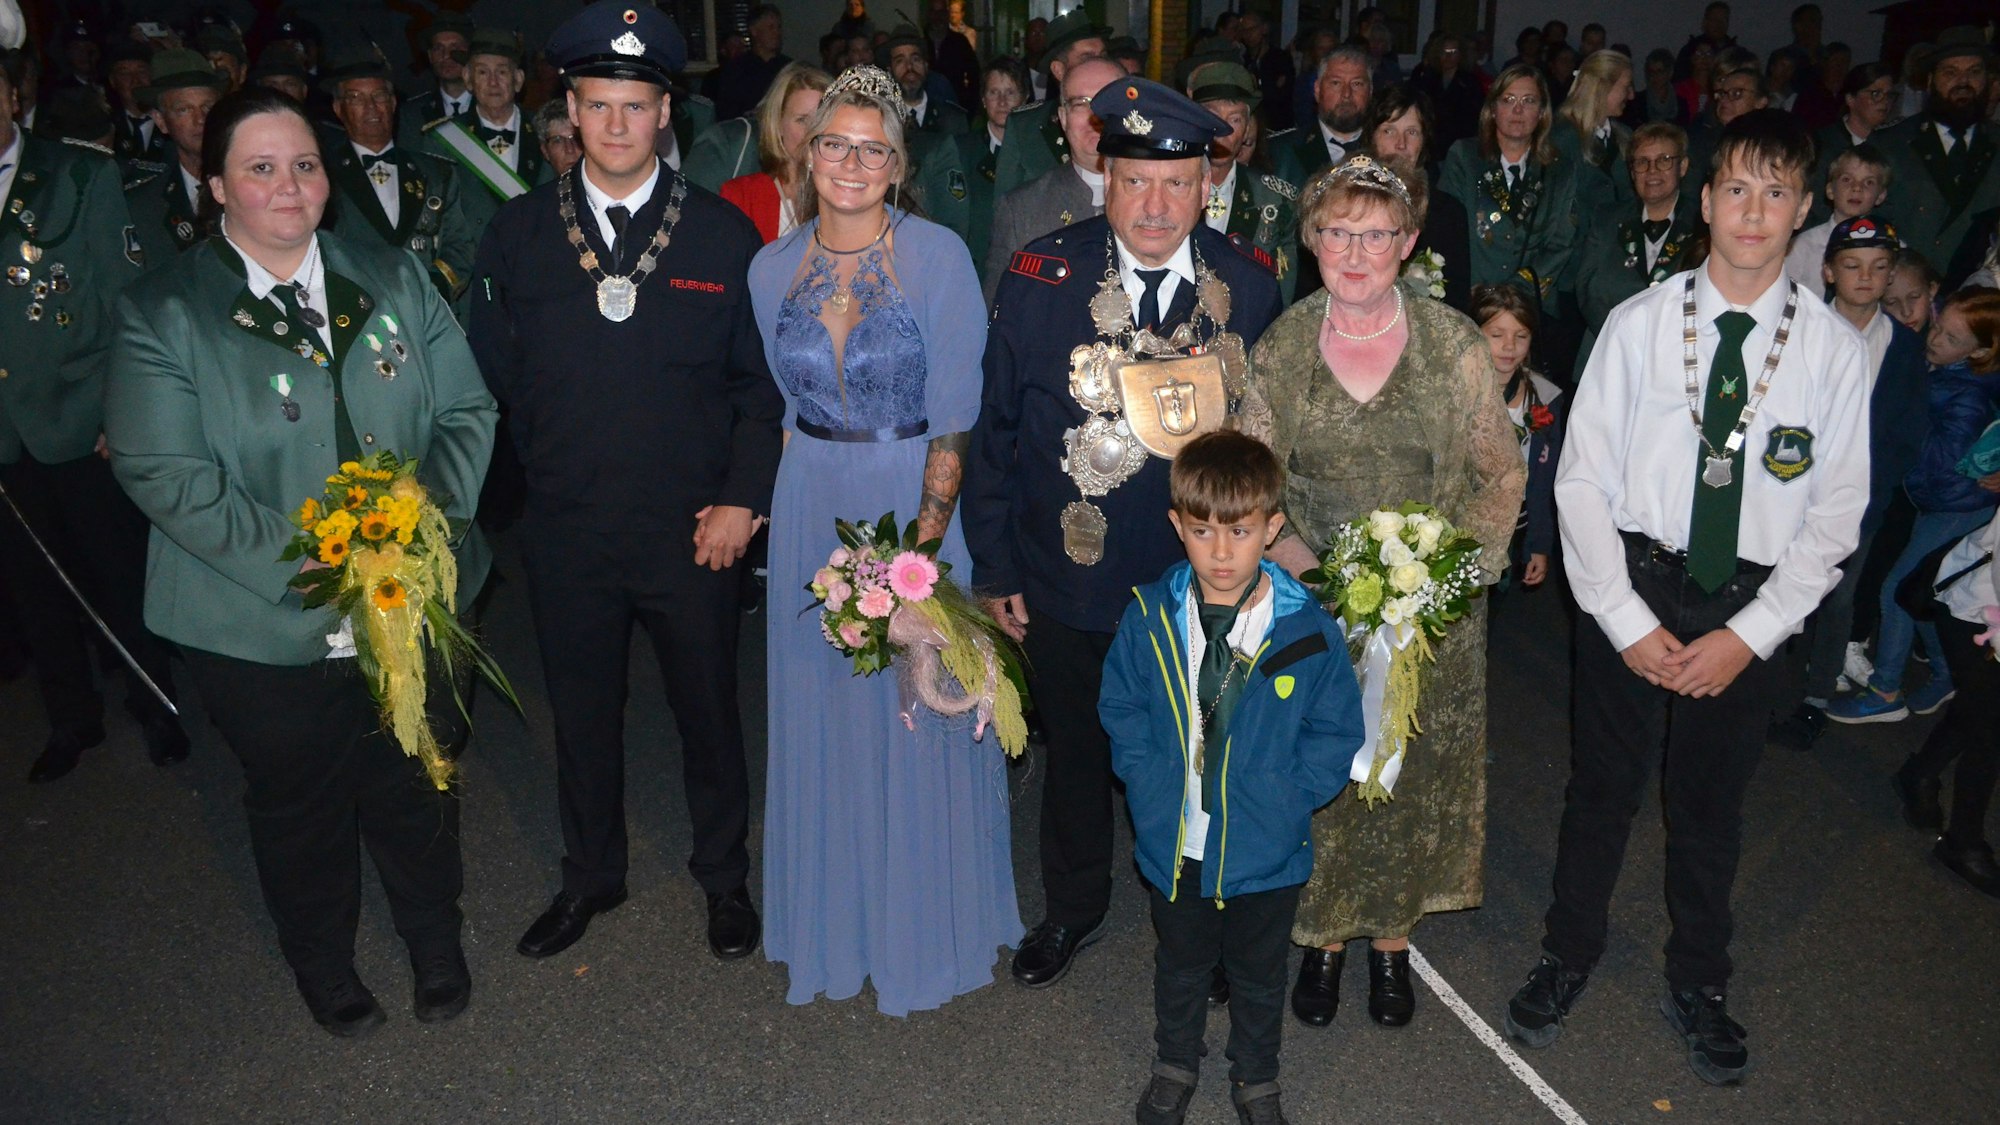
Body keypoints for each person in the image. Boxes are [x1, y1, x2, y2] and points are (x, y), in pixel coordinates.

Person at [103, 86, 497, 1036]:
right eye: (261, 167)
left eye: (306, 164)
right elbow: (170, 478)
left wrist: (416, 529)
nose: (289, 186)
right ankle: (322, 961)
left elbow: (465, 413)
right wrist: (329, 574)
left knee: (418, 775)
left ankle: (433, 938)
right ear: (218, 183)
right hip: (257, 620)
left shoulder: (393, 275)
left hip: (420, 594)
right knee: (301, 803)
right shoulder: (166, 311)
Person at [1503, 110, 1870, 1087]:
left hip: (1743, 607)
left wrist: (1748, 636)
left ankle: (1699, 979)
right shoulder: (1637, 324)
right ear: (1704, 201)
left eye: (1777, 192)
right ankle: (1565, 951)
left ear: (1803, 212)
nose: (1754, 212)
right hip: (1638, 579)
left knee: (1709, 806)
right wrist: (1621, 618)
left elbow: (1835, 513)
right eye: (1736, 189)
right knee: (1600, 790)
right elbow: (1578, 480)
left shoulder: (1829, 352)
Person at [472, 0, 782, 964]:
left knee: (708, 710)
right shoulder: (518, 235)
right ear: (568, 107)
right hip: (568, 526)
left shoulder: (722, 239)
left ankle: (724, 879)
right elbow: (494, 372)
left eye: (636, 106)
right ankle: (590, 875)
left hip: (694, 525)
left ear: (664, 117)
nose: (615, 125)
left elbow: (760, 388)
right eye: (597, 105)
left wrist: (742, 499)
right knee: (582, 711)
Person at [965, 76, 1284, 994]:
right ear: (1104, 174)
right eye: (1136, 179)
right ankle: (1072, 907)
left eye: (1176, 183)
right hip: (1071, 574)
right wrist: (995, 567)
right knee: (1076, 756)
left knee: (1197, 756)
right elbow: (994, 434)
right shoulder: (1040, 278)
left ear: (1205, 186)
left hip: (1201, 578)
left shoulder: (1249, 287)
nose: (1154, 204)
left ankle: (1199, 920)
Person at [749, 64, 1020, 1017]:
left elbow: (955, 418)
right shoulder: (769, 267)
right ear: (806, 152)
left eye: (873, 149)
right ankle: (834, 921)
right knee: (824, 711)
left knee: (915, 711)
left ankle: (919, 924)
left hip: (911, 498)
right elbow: (786, 412)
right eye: (834, 144)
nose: (851, 164)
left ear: (897, 164)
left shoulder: (938, 255)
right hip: (809, 500)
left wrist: (921, 563)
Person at [1237, 157, 1522, 1032]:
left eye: (1374, 234)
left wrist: (1446, 579)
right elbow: (1254, 479)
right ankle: (1321, 939)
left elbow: (1499, 475)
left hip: (1428, 618)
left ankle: (1393, 943)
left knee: (1408, 775)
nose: (1354, 251)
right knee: (1324, 770)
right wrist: (1309, 570)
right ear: (1312, 239)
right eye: (1336, 232)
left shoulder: (1455, 345)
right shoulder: (1286, 344)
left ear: (1406, 245)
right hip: (1313, 601)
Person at [1102, 431, 1363, 1125]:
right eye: (1201, 531)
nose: (1221, 553)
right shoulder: (1149, 615)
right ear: (1176, 526)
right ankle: (1175, 1061)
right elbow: (1121, 705)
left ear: (1272, 528)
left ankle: (1256, 1077)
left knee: (1258, 973)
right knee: (1181, 965)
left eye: (1241, 532)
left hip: (1266, 850)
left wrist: (1290, 796)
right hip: (1175, 838)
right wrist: (1148, 781)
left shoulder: (1307, 632)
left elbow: (1336, 729)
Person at [0, 48, 188, 782]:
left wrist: (122, 410)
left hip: (80, 416)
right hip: (5, 438)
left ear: (15, 96)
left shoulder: (79, 173)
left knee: (115, 572)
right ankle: (71, 718)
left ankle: (156, 704)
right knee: (32, 586)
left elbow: (124, 302)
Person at [1768, 216, 1931, 750]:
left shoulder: (1904, 349)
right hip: (1788, 490)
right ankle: (1756, 685)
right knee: (1773, 586)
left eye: (1879, 268)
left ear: (1890, 278)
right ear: (1829, 272)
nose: (1866, 277)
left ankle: (1815, 696)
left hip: (1858, 503)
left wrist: (1870, 491)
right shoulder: (1798, 331)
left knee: (1838, 600)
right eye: (1853, 266)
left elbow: (1906, 430)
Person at [1827, 287, 2000, 724]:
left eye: (1951, 338)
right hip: (1941, 503)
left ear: (1981, 350)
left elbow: (1942, 463)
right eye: (1938, 326)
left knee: (1897, 592)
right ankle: (1946, 673)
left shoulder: (1968, 393)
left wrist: (1901, 419)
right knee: (1925, 592)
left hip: (1956, 508)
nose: (1935, 338)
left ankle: (1886, 691)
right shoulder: (1949, 374)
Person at [1440, 64, 1586, 382]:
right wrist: (1482, 298)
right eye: (1508, 100)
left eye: (1528, 101)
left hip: (1533, 313)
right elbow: (1449, 232)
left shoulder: (1560, 168)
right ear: (1493, 109)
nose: (1518, 111)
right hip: (1470, 307)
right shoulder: (1464, 157)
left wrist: (1515, 296)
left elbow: (1563, 240)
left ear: (1542, 112)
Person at [1892, 508, 2000, 896]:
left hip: (1984, 611)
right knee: (1988, 730)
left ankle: (1918, 774)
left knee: (1980, 710)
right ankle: (1962, 843)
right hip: (1975, 612)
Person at [320, 51, 474, 304]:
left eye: (379, 96)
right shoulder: (324, 177)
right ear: (338, 108)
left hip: (429, 311)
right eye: (356, 98)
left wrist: (431, 291)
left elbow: (461, 247)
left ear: (392, 103)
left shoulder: (437, 173)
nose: (371, 107)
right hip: (356, 314)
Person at [980, 56, 1122, 303]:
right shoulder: (1022, 210)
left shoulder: (1163, 201)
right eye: (1081, 104)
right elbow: (998, 314)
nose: (1096, 116)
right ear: (1063, 118)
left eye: (1108, 101)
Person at [1873, 29, 1999, 290]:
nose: (1963, 82)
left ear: (1988, 80)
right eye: (1950, 72)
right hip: (1901, 297)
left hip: (1975, 304)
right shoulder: (1891, 145)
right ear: (1930, 81)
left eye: (1974, 72)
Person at [1576, 123, 1708, 357]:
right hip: (1607, 351)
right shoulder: (1606, 219)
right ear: (1632, 171)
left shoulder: (1704, 225)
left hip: (1676, 356)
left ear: (1683, 166)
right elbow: (1587, 290)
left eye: (1664, 160)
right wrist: (1623, 340)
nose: (1652, 170)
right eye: (1642, 162)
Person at [422, 29, 551, 249]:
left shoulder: (547, 131)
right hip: (476, 268)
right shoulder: (443, 140)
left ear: (518, 80)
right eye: (482, 73)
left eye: (502, 73)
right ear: (468, 79)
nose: (493, 83)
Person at [1474, 283, 1565, 588]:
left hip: (1516, 525)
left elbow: (1545, 479)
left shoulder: (1545, 397)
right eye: (1496, 335)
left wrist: (1539, 543)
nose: (1509, 347)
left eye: (1521, 336)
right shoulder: (1457, 391)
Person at [1189, 62, 1300, 301]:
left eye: (1236, 119)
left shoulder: (1277, 201)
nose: (1224, 130)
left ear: (1248, 127)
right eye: (1212, 116)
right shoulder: (1167, 187)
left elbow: (1280, 298)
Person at [915, 56, 1025, 281]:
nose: (1002, 101)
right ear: (984, 100)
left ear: (1024, 99)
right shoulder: (958, 150)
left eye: (1010, 92)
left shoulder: (1038, 155)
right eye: (994, 92)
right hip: (968, 274)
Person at [124, 48, 227, 264]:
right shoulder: (143, 204)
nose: (200, 119)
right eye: (184, 110)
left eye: (208, 106)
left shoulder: (257, 186)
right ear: (160, 121)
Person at [992, 9, 1109, 198]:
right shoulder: (1025, 126)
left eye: (1102, 56)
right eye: (1087, 58)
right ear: (1058, 70)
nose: (1098, 65)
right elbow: (1005, 207)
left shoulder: (1126, 117)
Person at [720, 63, 830, 243]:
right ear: (778, 124)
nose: (814, 131)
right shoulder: (742, 197)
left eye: (823, 119)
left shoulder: (848, 195)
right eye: (802, 120)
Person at [1784, 145, 1889, 290]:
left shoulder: (1890, 247)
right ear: (1830, 190)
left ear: (1881, 195)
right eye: (1846, 179)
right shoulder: (1802, 247)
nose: (1857, 187)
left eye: (1868, 182)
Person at [1276, 46, 1370, 180]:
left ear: (1371, 91)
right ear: (1317, 90)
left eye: (1357, 84)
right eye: (1336, 83)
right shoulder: (1283, 151)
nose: (1346, 94)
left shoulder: (1386, 150)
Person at [1554, 50, 1635, 204]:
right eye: (1626, 86)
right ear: (1602, 86)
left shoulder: (1624, 137)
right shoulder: (1562, 139)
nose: (1631, 95)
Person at [397, 12, 475, 149]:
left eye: (455, 47)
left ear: (470, 53)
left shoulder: (491, 106)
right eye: (438, 48)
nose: (446, 56)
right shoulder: (412, 114)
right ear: (430, 56)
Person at [716, 5, 792, 121]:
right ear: (754, 31)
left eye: (779, 27)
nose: (777, 33)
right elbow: (726, 112)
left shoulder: (789, 68)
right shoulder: (736, 69)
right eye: (771, 27)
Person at [1412, 33, 1482, 155]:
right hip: (1431, 145)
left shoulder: (1469, 82)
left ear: (1461, 55)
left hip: (1457, 145)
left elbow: (1473, 116)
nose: (1448, 56)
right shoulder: (1428, 78)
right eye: (1444, 51)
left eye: (1453, 51)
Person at [1885, 249, 1941, 334]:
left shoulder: (1950, 323)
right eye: (1892, 302)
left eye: (1914, 297)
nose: (1906, 312)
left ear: (1931, 289)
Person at [534, 98, 581, 177]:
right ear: (545, 151)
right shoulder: (543, 189)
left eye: (575, 138)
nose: (569, 149)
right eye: (558, 140)